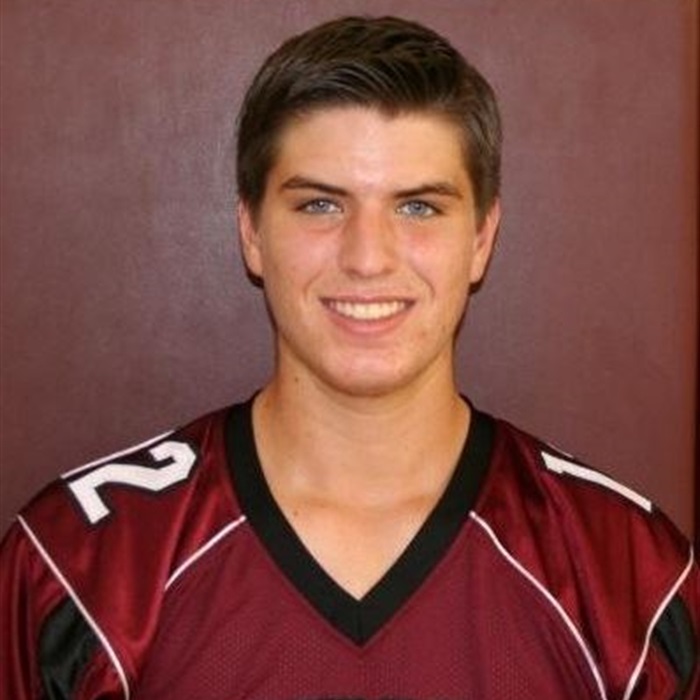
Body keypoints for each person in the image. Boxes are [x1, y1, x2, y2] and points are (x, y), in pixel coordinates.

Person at [0, 14, 697, 700]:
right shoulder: (80, 570)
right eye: (320, 205)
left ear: (482, 239)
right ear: (251, 232)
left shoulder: (630, 575)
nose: (368, 258)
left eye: (418, 207)